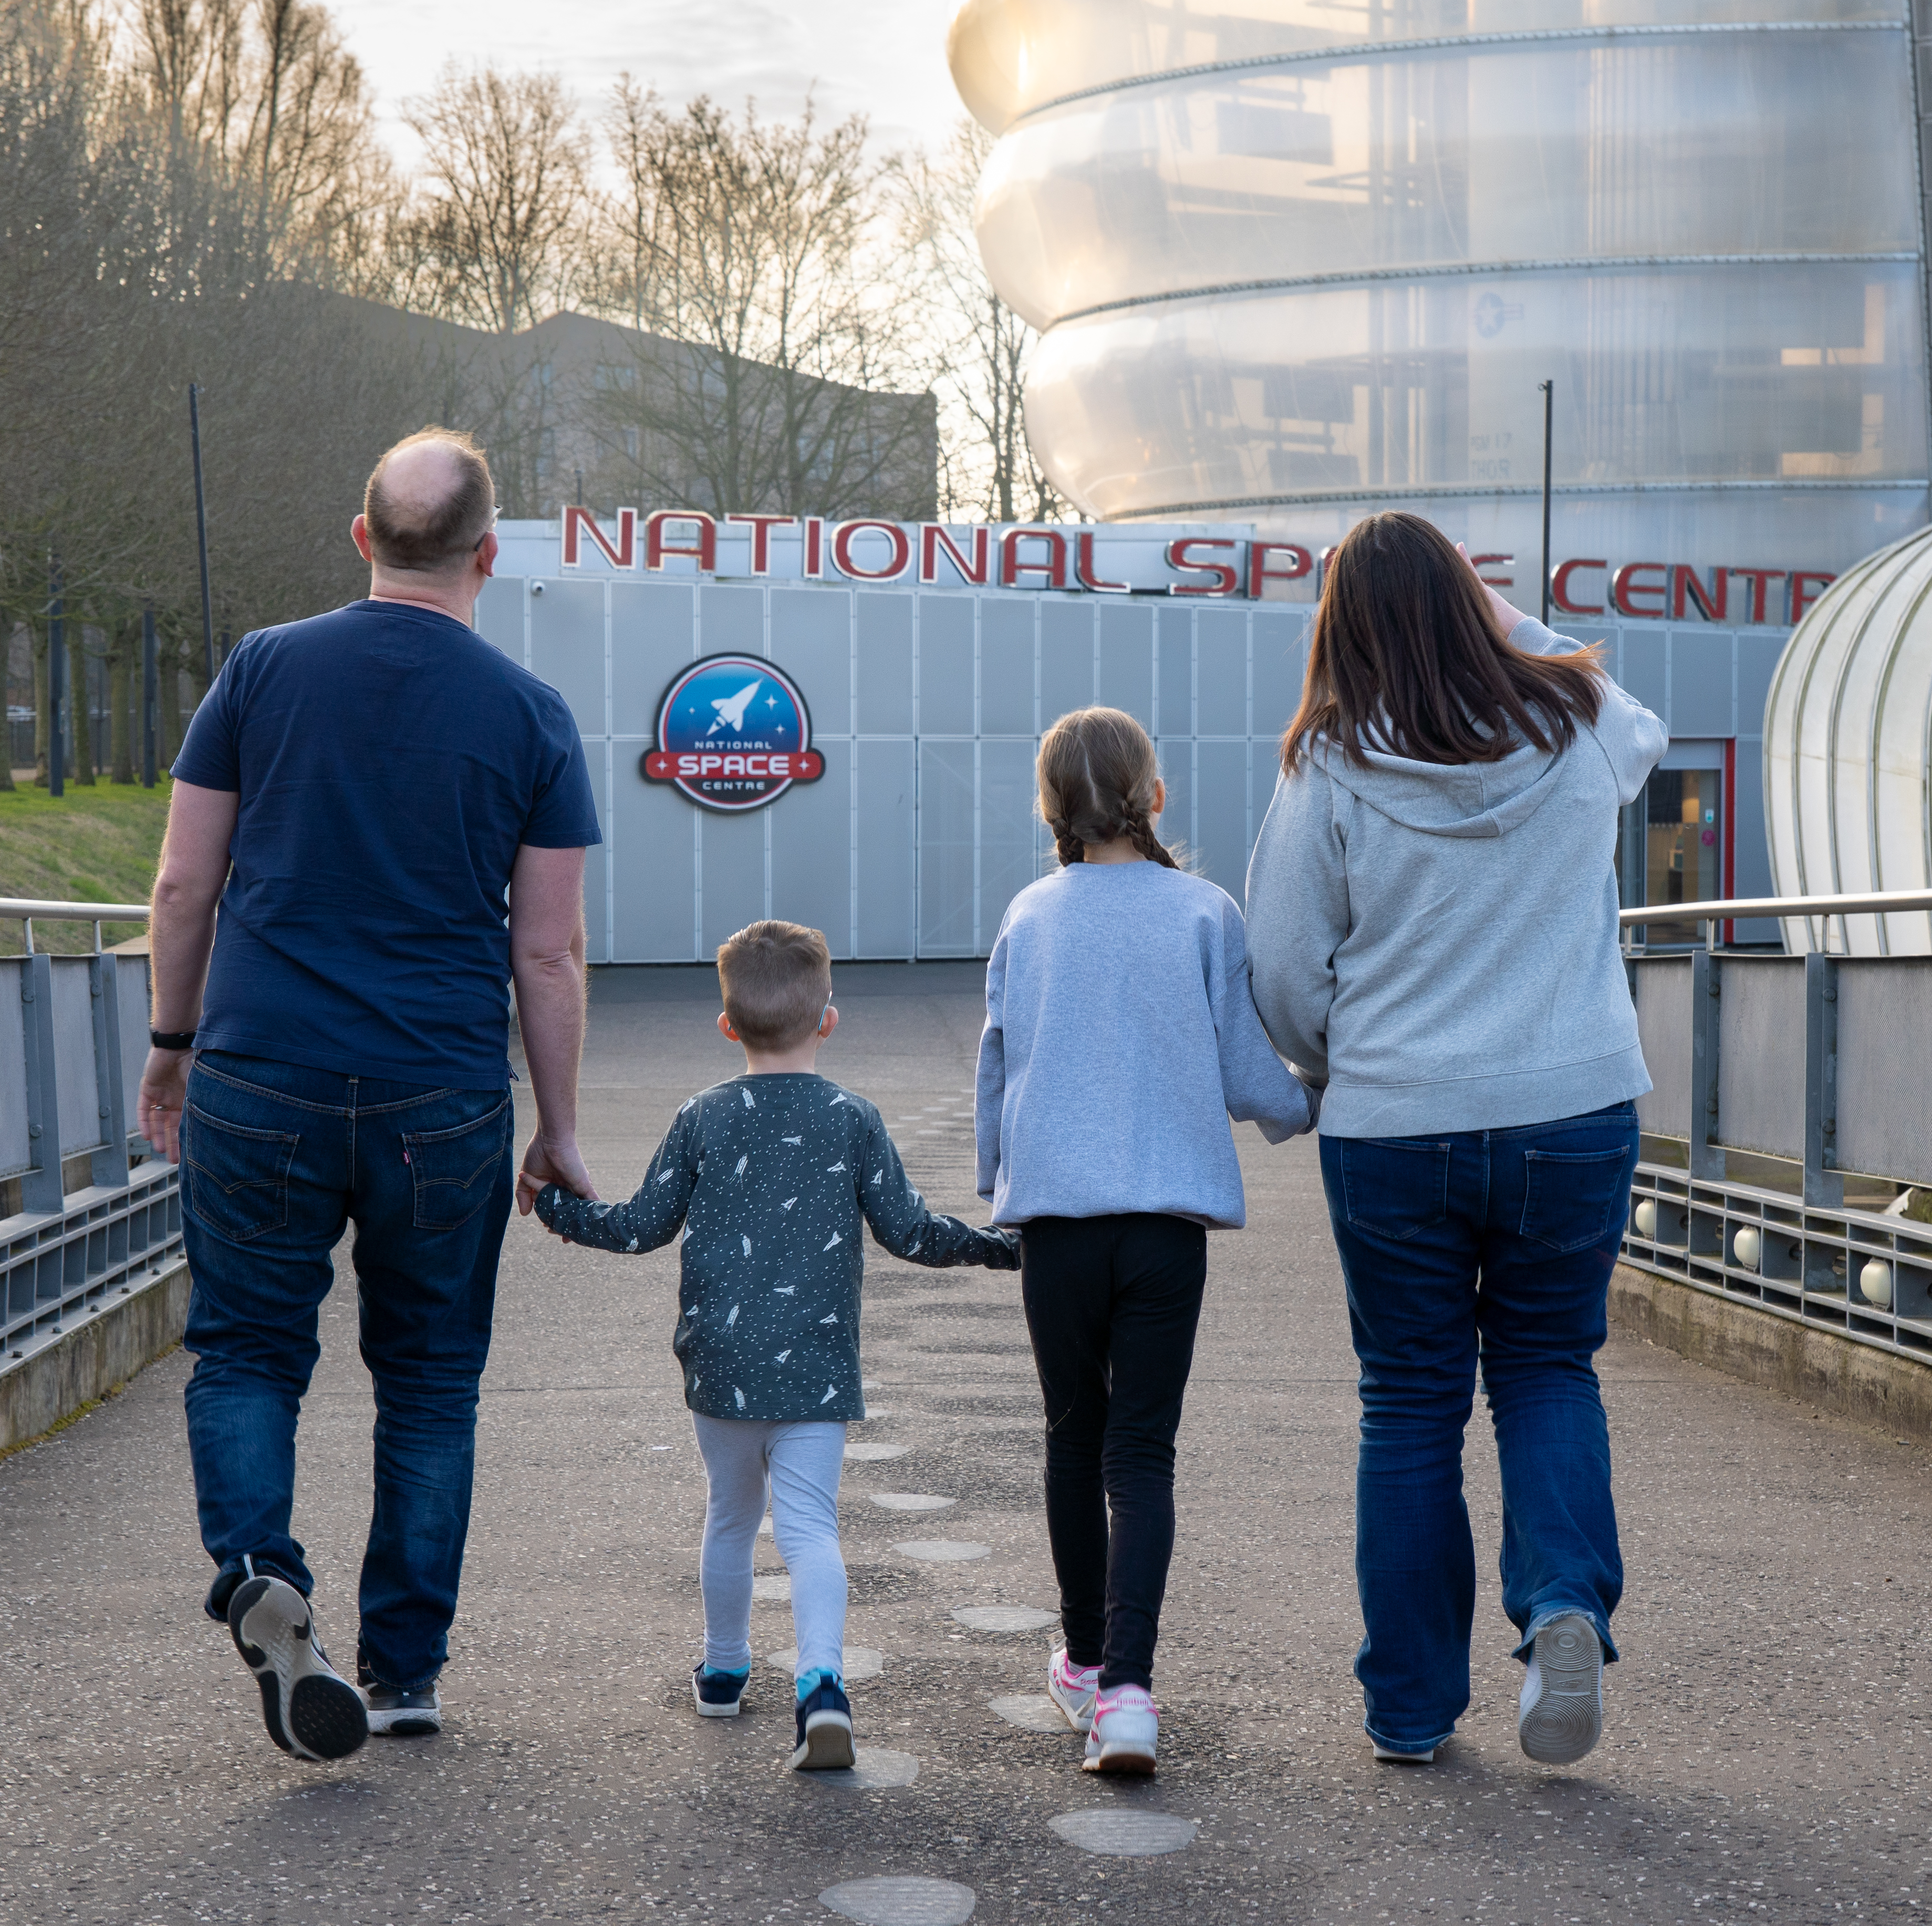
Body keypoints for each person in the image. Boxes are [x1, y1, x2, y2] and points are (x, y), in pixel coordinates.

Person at [134, 429, 601, 1763]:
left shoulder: (263, 668)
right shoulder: (530, 713)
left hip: (262, 1070)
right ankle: (404, 1671)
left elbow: (182, 884)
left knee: (247, 1350)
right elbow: (549, 949)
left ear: (361, 538)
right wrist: (557, 1128)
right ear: (489, 555)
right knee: (433, 1381)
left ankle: (260, 1575)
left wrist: (174, 1038)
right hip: (443, 1096)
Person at [1243, 511, 1666, 1769]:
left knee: (1413, 1403)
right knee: (1547, 1369)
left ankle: (1414, 1708)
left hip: (1393, 1126)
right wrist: (1512, 629)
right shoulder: (1580, 723)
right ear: (1475, 607)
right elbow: (1634, 716)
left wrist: (1337, 1061)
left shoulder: (1325, 760)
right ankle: (1564, 1607)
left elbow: (1278, 966)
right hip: (1572, 1108)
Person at [535, 919, 1018, 1773]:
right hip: (817, 1364)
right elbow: (908, 1233)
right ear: (827, 1019)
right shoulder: (853, 1118)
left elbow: (642, 1226)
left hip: (719, 1365)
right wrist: (998, 1245)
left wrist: (552, 1206)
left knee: (730, 1518)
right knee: (810, 1528)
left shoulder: (702, 1117)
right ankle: (822, 1686)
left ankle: (724, 1673)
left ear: (727, 1026)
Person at [974, 708, 1314, 1778]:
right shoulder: (1205, 913)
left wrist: (1000, 1172)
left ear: (1050, 810)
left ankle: (1080, 1657)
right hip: (1167, 1227)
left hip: (1060, 1224)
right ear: (1153, 797)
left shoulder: (1030, 914)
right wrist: (1308, 1103)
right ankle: (1127, 1689)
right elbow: (1246, 1065)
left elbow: (999, 1057)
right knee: (1143, 1453)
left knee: (1073, 1442)